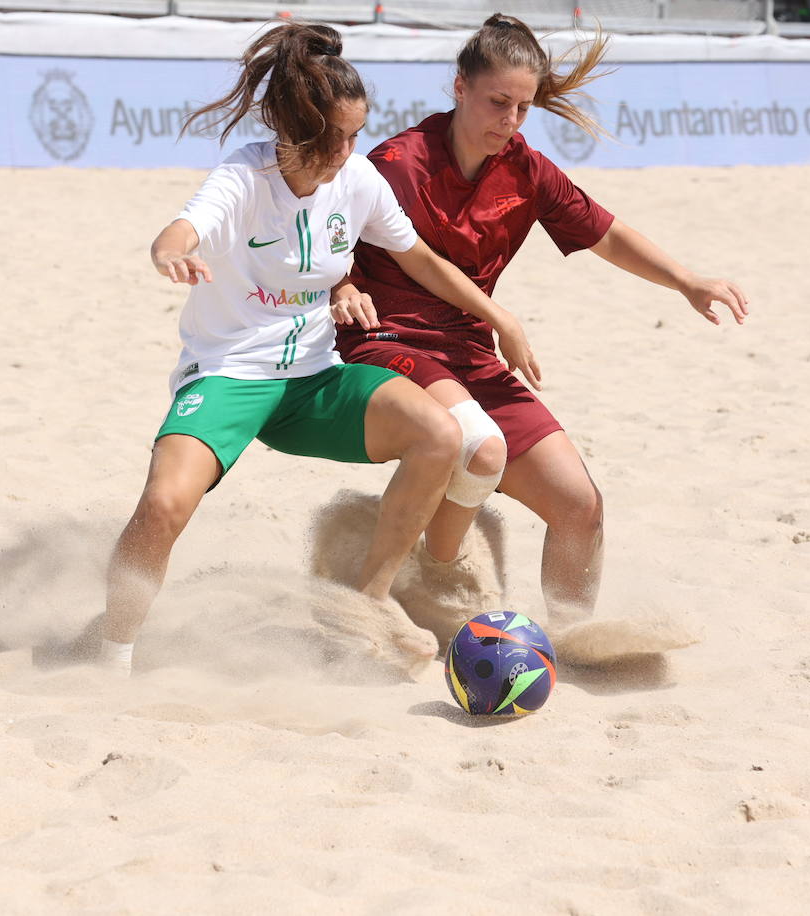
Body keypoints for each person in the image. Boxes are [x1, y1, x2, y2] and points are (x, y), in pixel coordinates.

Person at [98, 22, 539, 673]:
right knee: (163, 504)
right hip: (228, 376)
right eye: (332, 137)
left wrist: (499, 314)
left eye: (356, 134)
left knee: (440, 436)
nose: (346, 150)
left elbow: (418, 258)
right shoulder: (244, 176)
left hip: (312, 379)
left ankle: (369, 602)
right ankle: (110, 653)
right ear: (287, 126)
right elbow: (183, 228)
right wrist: (171, 252)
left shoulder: (357, 179)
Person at [332, 14, 748, 635]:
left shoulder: (524, 169)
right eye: (499, 102)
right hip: (388, 340)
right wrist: (340, 284)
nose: (511, 120)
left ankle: (575, 638)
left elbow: (607, 234)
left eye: (524, 107)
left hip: (468, 350)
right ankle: (425, 576)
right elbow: (322, 234)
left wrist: (686, 280)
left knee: (580, 505)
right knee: (479, 446)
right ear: (459, 87)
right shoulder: (397, 162)